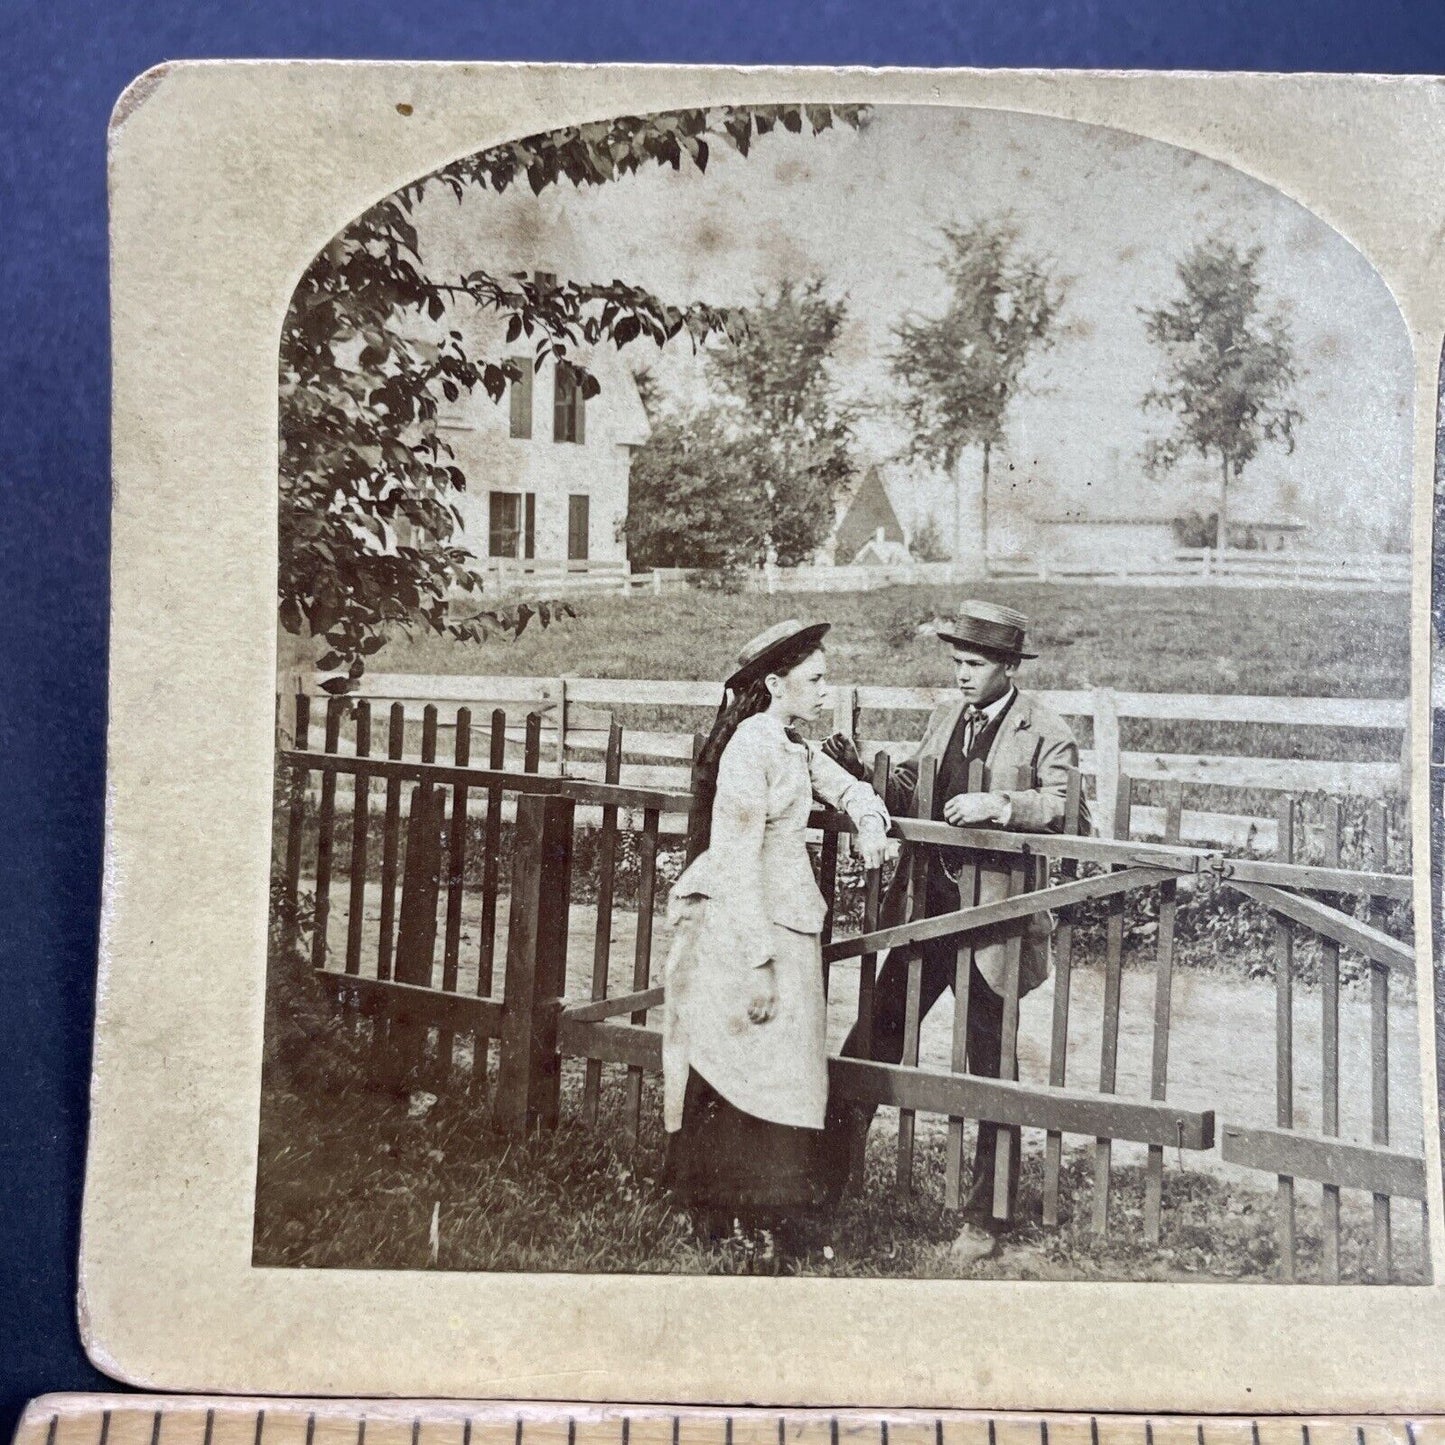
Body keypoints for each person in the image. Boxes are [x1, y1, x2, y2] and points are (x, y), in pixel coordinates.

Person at [821, 600, 1090, 1263]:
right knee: (874, 1036)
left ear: (1004, 667)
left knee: (987, 1064)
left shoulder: (1044, 731)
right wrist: (864, 772)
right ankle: (825, 1179)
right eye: (955, 663)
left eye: (971, 665)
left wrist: (1002, 804)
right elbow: (918, 785)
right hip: (927, 911)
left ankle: (986, 1216)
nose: (960, 676)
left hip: (993, 923)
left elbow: (1066, 808)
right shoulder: (946, 715)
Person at [661, 619, 891, 1264]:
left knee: (786, 1068)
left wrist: (870, 821)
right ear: (774, 683)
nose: (826, 692)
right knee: (738, 1059)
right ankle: (721, 1213)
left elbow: (846, 786)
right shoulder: (749, 749)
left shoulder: (789, 744)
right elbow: (735, 860)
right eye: (814, 680)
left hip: (788, 922)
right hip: (746, 925)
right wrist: (757, 963)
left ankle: (770, 1214)